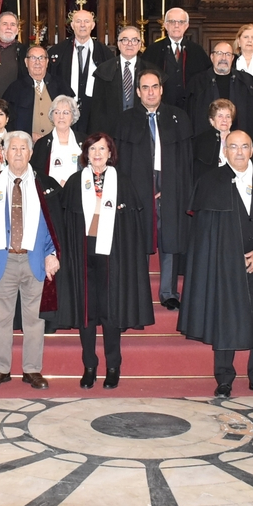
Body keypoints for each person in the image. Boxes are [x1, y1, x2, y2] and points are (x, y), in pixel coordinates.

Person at [180, 130, 253, 398]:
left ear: (252, 150)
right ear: (225, 151)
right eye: (233, 147)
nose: (240, 152)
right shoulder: (210, 181)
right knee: (225, 320)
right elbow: (204, 233)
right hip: (224, 266)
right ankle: (224, 378)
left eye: (245, 146)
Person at [55, 132, 152, 390]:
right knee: (86, 314)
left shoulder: (123, 183)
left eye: (102, 149)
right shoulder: (76, 182)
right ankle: (89, 366)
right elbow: (66, 224)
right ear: (85, 154)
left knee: (111, 312)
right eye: (92, 149)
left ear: (111, 153)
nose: (97, 154)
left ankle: (112, 366)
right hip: (82, 252)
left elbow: (133, 227)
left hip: (114, 255)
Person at [0, 131, 61, 391]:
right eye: (13, 148)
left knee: (34, 320)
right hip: (2, 260)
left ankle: (32, 370)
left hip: (34, 260)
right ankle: (0, 368)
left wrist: (52, 253)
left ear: (31, 153)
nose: (18, 153)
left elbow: (54, 225)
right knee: (0, 319)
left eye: (23, 148)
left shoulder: (45, 184)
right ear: (5, 153)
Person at [116, 67, 192, 310]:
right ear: (137, 92)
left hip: (171, 184)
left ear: (162, 89)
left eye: (155, 87)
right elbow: (121, 162)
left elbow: (186, 161)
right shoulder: (125, 120)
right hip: (138, 187)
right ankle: (137, 291)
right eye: (145, 87)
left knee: (169, 237)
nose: (151, 92)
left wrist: (176, 189)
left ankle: (169, 292)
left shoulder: (178, 117)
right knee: (138, 238)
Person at [47, 9, 112, 133]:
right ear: (72, 25)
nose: (82, 25)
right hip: (66, 111)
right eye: (78, 21)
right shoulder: (57, 52)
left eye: (86, 21)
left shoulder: (105, 53)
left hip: (94, 112)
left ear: (92, 25)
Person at [89, 25, 154, 137]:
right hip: (111, 132)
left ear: (140, 45)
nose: (129, 44)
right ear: (118, 44)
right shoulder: (103, 70)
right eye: (125, 40)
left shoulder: (151, 71)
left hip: (142, 131)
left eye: (134, 40)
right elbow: (97, 109)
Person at [186, 42, 253, 136]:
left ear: (232, 58)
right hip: (206, 142)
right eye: (219, 53)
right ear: (212, 57)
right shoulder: (197, 83)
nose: (223, 58)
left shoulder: (246, 82)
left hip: (239, 143)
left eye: (228, 54)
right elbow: (191, 118)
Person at [143, 7, 212, 108]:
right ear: (165, 25)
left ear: (186, 26)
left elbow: (205, 80)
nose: (176, 25)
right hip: (161, 107)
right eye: (172, 22)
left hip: (190, 107)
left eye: (181, 22)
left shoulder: (197, 51)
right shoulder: (153, 50)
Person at [2, 45, 64, 140]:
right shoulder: (14, 88)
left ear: (47, 62)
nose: (37, 62)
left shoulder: (61, 86)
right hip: (25, 144)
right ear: (26, 62)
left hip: (56, 142)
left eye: (41, 58)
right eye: (33, 58)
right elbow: (7, 120)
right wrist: (28, 135)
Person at [32, 95, 85, 186]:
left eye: (66, 113)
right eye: (57, 112)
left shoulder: (84, 141)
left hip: (78, 192)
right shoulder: (42, 144)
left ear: (73, 116)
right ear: (52, 116)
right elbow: (37, 175)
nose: (61, 117)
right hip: (52, 194)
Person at [0, 11, 27, 96]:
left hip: (14, 102)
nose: (9, 27)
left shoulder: (24, 51)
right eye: (5, 24)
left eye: (13, 24)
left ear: (17, 30)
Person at [194, 99, 235, 179]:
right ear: (211, 120)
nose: (224, 120)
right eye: (220, 116)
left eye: (228, 116)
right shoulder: (201, 141)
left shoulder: (239, 139)